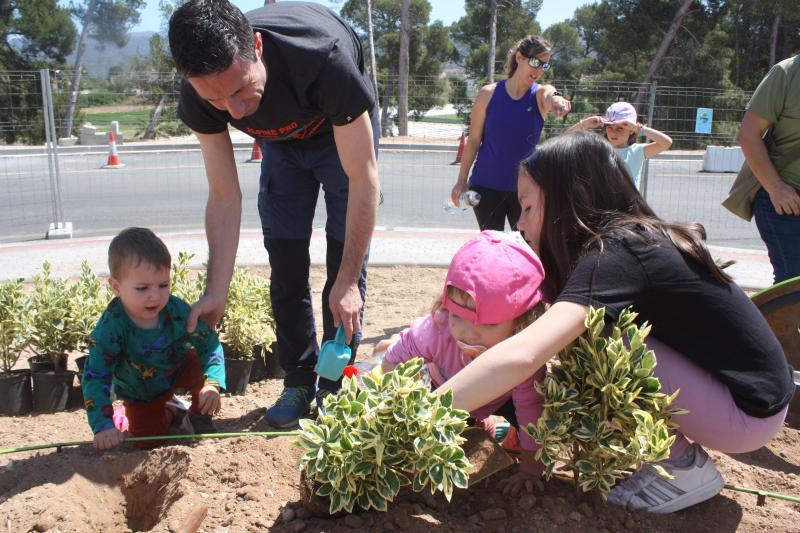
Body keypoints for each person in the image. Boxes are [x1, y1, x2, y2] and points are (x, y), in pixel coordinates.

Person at [436, 132, 793, 512]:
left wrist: (426, 409)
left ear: (567, 201)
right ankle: (676, 455)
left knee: (600, 345)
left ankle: (683, 465)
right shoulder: (626, 241)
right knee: (587, 338)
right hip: (742, 399)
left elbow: (524, 353)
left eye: (527, 207)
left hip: (745, 414)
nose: (520, 224)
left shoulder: (617, 252)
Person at [168, 0, 380, 427]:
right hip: (281, 147)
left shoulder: (323, 60)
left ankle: (333, 385)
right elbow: (224, 195)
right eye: (216, 99)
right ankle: (298, 380)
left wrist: (347, 279)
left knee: (344, 275)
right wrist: (216, 291)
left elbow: (364, 179)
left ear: (258, 47)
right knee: (285, 266)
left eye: (241, 90)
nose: (235, 111)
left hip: (339, 134)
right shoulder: (199, 92)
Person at [375, 230, 549, 493]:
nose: (469, 333)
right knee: (453, 437)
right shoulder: (437, 330)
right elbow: (393, 363)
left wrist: (530, 469)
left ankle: (504, 432)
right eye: (458, 316)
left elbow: (530, 411)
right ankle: (483, 425)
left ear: (522, 322)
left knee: (531, 414)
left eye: (489, 324)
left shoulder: (523, 353)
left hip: (505, 395)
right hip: (446, 390)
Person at [82, 227, 226, 451]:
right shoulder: (110, 329)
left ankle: (198, 416)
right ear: (116, 287)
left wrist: (213, 383)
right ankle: (172, 411)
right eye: (142, 288)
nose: (155, 296)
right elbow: (95, 375)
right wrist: (103, 425)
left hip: (177, 368)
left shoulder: (176, 310)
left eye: (163, 285)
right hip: (141, 392)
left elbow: (209, 342)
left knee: (198, 362)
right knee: (147, 441)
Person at [450, 35, 571, 231]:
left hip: (525, 190)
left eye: (545, 65)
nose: (539, 70)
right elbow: (473, 141)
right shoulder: (487, 94)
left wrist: (557, 98)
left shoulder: (539, 96)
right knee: (492, 244)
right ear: (519, 57)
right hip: (485, 186)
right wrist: (461, 181)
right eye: (535, 62)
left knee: (524, 245)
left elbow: (549, 91)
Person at [736, 55, 800, 284]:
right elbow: (748, 135)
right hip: (788, 200)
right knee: (793, 286)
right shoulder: (787, 73)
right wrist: (775, 187)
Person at [567, 101, 672, 191]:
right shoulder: (597, 148)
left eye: (620, 128)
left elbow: (666, 143)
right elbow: (564, 141)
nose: (613, 132)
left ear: (631, 130)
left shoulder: (637, 151)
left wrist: (639, 128)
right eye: (610, 127)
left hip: (628, 207)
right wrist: (584, 124)